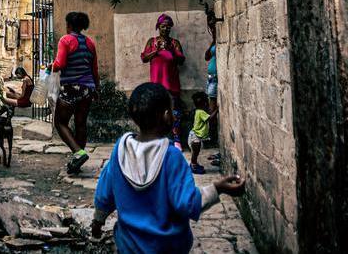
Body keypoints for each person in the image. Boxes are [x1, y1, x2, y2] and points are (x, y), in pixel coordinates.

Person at [91, 82, 245, 253]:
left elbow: (104, 193)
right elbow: (187, 203)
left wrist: (98, 222)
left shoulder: (120, 150)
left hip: (129, 246)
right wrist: (218, 188)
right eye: (172, 111)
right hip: (167, 247)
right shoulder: (171, 157)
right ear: (166, 116)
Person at [52, 11, 99, 174]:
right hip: (88, 89)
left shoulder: (66, 40)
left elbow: (60, 63)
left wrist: (53, 66)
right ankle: (78, 159)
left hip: (71, 87)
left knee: (60, 122)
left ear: (69, 25)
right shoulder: (90, 43)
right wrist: (96, 89)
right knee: (81, 123)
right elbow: (94, 70)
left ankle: (78, 153)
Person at [140, 13, 186, 147]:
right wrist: (156, 50)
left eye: (168, 27)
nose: (165, 29)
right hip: (156, 85)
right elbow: (144, 58)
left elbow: (182, 61)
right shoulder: (152, 42)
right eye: (163, 26)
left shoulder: (174, 43)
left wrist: (171, 50)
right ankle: (157, 140)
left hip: (172, 85)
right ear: (158, 27)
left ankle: (176, 139)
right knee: (156, 112)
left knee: (174, 112)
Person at [187, 92, 215, 174]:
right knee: (195, 153)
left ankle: (194, 164)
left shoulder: (198, 111)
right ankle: (193, 165)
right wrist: (217, 109)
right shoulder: (200, 112)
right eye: (207, 102)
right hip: (195, 137)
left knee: (195, 153)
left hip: (194, 136)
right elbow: (210, 118)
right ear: (204, 103)